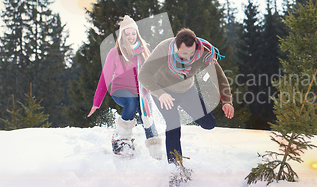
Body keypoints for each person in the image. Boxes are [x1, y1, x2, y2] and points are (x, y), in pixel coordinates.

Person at [138, 28, 234, 163]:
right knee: (173, 124)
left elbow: (218, 76)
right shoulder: (164, 49)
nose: (189, 57)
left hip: (187, 90)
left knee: (209, 124)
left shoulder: (204, 53)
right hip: (164, 92)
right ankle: (175, 167)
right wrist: (160, 94)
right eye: (184, 53)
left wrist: (227, 101)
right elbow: (144, 73)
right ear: (176, 47)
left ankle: (186, 108)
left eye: (191, 53)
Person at [88, 15, 162, 159]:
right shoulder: (115, 52)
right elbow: (105, 78)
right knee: (131, 102)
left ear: (137, 34)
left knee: (147, 115)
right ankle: (120, 138)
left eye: (133, 33)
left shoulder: (145, 52)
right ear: (122, 35)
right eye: (127, 34)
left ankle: (156, 152)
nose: (131, 37)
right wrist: (96, 103)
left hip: (142, 91)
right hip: (121, 90)